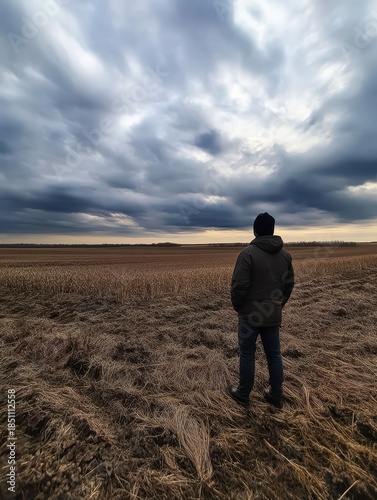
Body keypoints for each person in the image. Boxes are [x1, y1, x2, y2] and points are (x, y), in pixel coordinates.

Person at [227, 212, 294, 408]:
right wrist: (278, 304)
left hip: (250, 315)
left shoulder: (247, 254)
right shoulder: (285, 256)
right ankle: (275, 394)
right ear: (272, 230)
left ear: (255, 230)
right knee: (274, 353)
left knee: (247, 353)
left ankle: (243, 393)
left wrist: (239, 306)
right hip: (272, 313)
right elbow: (289, 284)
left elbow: (239, 285)